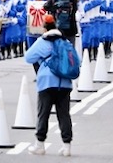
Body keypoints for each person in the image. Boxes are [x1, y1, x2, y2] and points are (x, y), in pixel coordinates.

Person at [24, 25, 73, 157]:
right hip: (65, 82)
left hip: (46, 81)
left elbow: (28, 57)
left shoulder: (42, 41)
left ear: (45, 30)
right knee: (64, 115)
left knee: (43, 113)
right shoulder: (66, 42)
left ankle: (40, 145)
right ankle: (66, 146)